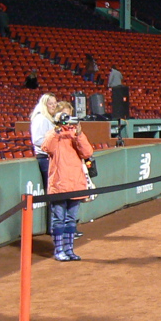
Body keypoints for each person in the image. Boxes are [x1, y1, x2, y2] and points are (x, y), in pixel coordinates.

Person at [41, 103, 93, 261]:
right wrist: (57, 130)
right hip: (59, 183)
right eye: (64, 116)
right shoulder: (53, 134)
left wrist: (79, 134)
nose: (67, 121)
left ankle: (69, 249)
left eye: (69, 116)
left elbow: (87, 152)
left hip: (75, 182)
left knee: (71, 219)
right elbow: (46, 147)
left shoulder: (75, 135)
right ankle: (59, 250)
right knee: (59, 219)